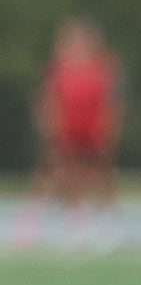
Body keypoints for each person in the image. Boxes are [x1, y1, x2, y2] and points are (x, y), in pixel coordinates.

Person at [16, 19, 121, 252]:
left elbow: (110, 102)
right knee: (59, 176)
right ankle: (70, 224)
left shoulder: (102, 67)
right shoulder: (58, 69)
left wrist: (108, 129)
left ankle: (106, 224)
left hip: (92, 129)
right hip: (66, 130)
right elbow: (47, 100)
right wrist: (49, 126)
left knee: (100, 176)